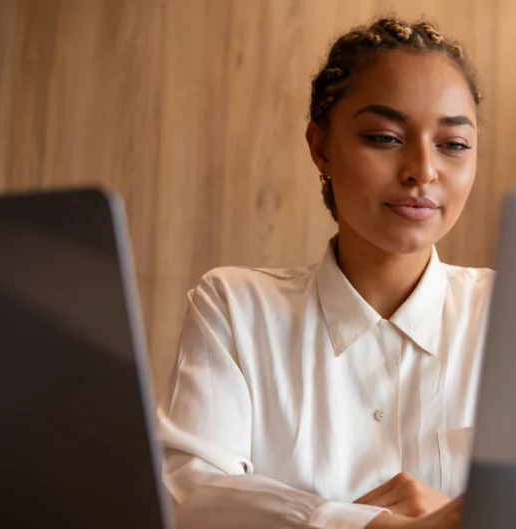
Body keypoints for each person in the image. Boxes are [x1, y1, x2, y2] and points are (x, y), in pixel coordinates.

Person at [157, 16, 491, 529]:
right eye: (384, 137)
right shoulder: (235, 307)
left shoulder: (515, 314)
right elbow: (187, 494)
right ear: (321, 148)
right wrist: (363, 525)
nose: (422, 170)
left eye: (454, 145)